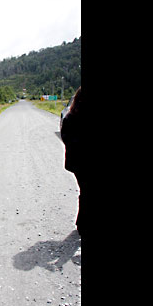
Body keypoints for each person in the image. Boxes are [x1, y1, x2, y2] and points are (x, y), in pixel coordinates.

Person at [60, 86, 86, 235]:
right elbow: (67, 139)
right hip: (79, 162)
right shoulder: (71, 117)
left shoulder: (70, 117)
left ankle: (80, 222)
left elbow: (66, 138)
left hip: (76, 162)